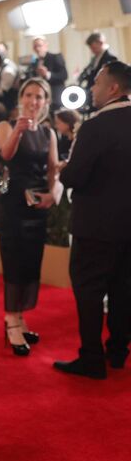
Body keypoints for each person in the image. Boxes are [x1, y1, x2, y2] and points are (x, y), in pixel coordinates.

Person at [54, 61, 131, 379]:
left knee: (88, 291)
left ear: (113, 88)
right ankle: (118, 352)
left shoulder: (96, 125)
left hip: (96, 226)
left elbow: (75, 176)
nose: (92, 88)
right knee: (124, 289)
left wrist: (62, 169)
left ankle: (91, 358)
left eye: (97, 82)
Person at [0, 77, 62, 356]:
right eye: (30, 95)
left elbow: (53, 171)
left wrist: (53, 195)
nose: (34, 101)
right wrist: (18, 131)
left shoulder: (49, 133)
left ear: (46, 102)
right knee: (14, 261)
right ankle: (11, 321)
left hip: (38, 207)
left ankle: (21, 318)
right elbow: (6, 155)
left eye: (40, 97)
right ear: (21, 98)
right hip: (13, 206)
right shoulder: (5, 126)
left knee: (31, 262)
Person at [77, 32, 117, 112]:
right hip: (92, 91)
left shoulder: (110, 58)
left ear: (100, 43)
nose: (92, 51)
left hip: (102, 91)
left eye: (94, 48)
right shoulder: (94, 59)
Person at [29, 36, 68, 110]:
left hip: (55, 98)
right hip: (40, 99)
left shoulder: (56, 57)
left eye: (39, 45)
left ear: (46, 45)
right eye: (35, 46)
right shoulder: (34, 63)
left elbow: (64, 75)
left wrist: (47, 74)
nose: (37, 48)